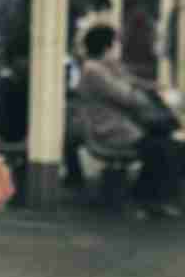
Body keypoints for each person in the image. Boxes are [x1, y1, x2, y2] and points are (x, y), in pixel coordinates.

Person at [77, 25, 182, 218]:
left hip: (125, 127)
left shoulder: (106, 67)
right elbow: (127, 96)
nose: (119, 47)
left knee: (171, 144)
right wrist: (150, 96)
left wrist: (158, 87)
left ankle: (156, 198)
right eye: (116, 43)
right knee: (160, 147)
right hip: (109, 131)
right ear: (106, 47)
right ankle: (145, 198)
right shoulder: (93, 71)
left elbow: (133, 81)